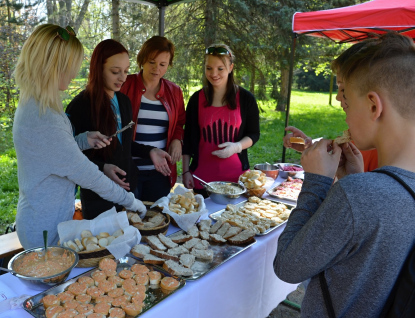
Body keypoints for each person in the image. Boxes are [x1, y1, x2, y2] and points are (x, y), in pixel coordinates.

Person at [274, 33, 415, 317]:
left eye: (347, 104)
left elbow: (287, 265)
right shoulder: (370, 189)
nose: (345, 117)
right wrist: (353, 180)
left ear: (374, 106)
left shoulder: (360, 195)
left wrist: (317, 182)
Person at [13, 24, 146, 249]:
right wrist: (132, 202)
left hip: (47, 218)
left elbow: (52, 154)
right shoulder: (44, 117)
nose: (75, 73)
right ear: (53, 66)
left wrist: (83, 140)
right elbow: (88, 175)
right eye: (72, 67)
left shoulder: (36, 104)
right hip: (44, 230)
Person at [66, 39, 139, 219]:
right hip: (98, 198)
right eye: (115, 72)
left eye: (126, 71)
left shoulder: (124, 101)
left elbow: (125, 145)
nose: (122, 78)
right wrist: (102, 168)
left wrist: (151, 151)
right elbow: (71, 155)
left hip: (128, 191)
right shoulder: (79, 106)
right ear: (98, 69)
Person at [283, 41, 378, 172]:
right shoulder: (359, 135)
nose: (338, 97)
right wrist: (311, 146)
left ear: (373, 104)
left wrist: (318, 179)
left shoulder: (383, 155)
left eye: (343, 90)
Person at [182, 44, 260, 197]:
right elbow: (188, 139)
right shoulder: (196, 99)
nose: (214, 73)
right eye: (209, 68)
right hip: (201, 179)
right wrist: (185, 171)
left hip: (236, 179)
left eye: (220, 68)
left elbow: (254, 134)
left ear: (230, 68)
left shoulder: (246, 99)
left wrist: (237, 146)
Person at [120, 36, 185, 202]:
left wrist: (177, 139)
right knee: (131, 220)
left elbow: (179, 122)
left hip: (160, 171)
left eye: (162, 64)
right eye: (151, 62)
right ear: (142, 60)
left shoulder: (174, 91)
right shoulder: (125, 84)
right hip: (128, 170)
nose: (156, 69)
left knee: (157, 219)